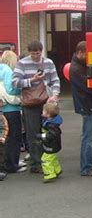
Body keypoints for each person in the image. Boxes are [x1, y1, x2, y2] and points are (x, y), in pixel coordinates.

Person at [12, 40, 60, 173]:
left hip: (45, 102)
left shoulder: (48, 63)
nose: (35, 56)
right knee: (32, 134)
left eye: (37, 54)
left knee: (47, 132)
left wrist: (54, 95)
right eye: (33, 54)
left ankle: (45, 160)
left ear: (41, 51)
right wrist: (32, 80)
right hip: (29, 104)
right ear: (29, 52)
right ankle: (36, 163)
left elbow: (55, 80)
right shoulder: (22, 63)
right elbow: (14, 82)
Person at [69, 41, 92, 177]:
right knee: (88, 138)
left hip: (88, 105)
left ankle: (89, 165)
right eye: (87, 54)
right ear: (80, 53)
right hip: (87, 105)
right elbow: (90, 87)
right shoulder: (77, 69)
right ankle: (86, 168)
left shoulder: (79, 66)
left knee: (90, 137)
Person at [0, 51, 27, 173]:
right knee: (14, 137)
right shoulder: (8, 71)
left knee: (5, 137)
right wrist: (20, 88)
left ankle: (9, 162)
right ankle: (12, 165)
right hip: (12, 109)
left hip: (3, 110)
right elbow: (12, 89)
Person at [38, 103, 63, 183]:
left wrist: (42, 136)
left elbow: (51, 135)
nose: (42, 111)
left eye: (44, 111)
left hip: (50, 145)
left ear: (48, 114)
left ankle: (49, 174)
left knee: (45, 159)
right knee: (53, 158)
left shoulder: (51, 125)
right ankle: (57, 170)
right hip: (53, 145)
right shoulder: (52, 122)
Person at [0, 110, 9, 181]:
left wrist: (3, 137)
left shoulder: (1, 117)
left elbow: (4, 127)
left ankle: (2, 171)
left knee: (1, 156)